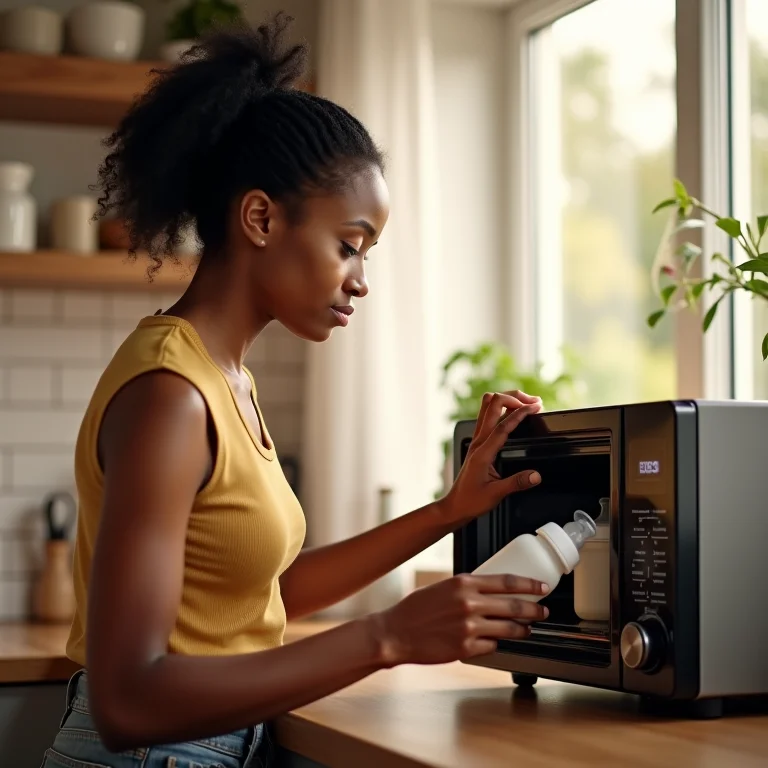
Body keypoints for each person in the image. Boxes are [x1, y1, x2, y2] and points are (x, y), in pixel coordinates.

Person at [41, 13, 548, 768]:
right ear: (260, 218)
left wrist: (448, 512)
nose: (361, 280)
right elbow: (126, 699)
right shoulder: (170, 396)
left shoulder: (222, 379)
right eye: (349, 245)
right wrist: (389, 637)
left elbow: (263, 592)